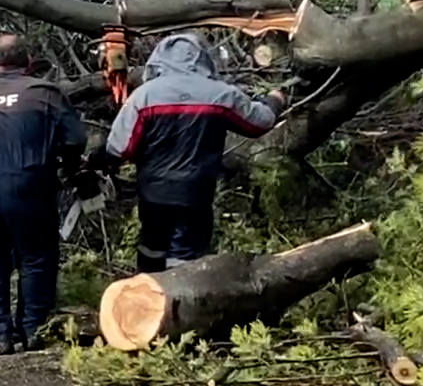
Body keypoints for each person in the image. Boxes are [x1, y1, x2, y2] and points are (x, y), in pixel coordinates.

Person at [98, 32, 285, 273]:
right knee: (186, 260)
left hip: (153, 193)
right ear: (202, 58)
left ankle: (146, 291)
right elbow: (260, 122)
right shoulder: (221, 94)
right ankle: (183, 292)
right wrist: (275, 99)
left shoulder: (143, 96)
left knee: (151, 251)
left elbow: (118, 148)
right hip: (196, 193)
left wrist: (97, 165)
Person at [0, 33, 86, 353]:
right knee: (36, 256)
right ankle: (32, 328)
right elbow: (76, 139)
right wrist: (69, 165)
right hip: (29, 183)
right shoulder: (44, 92)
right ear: (29, 61)